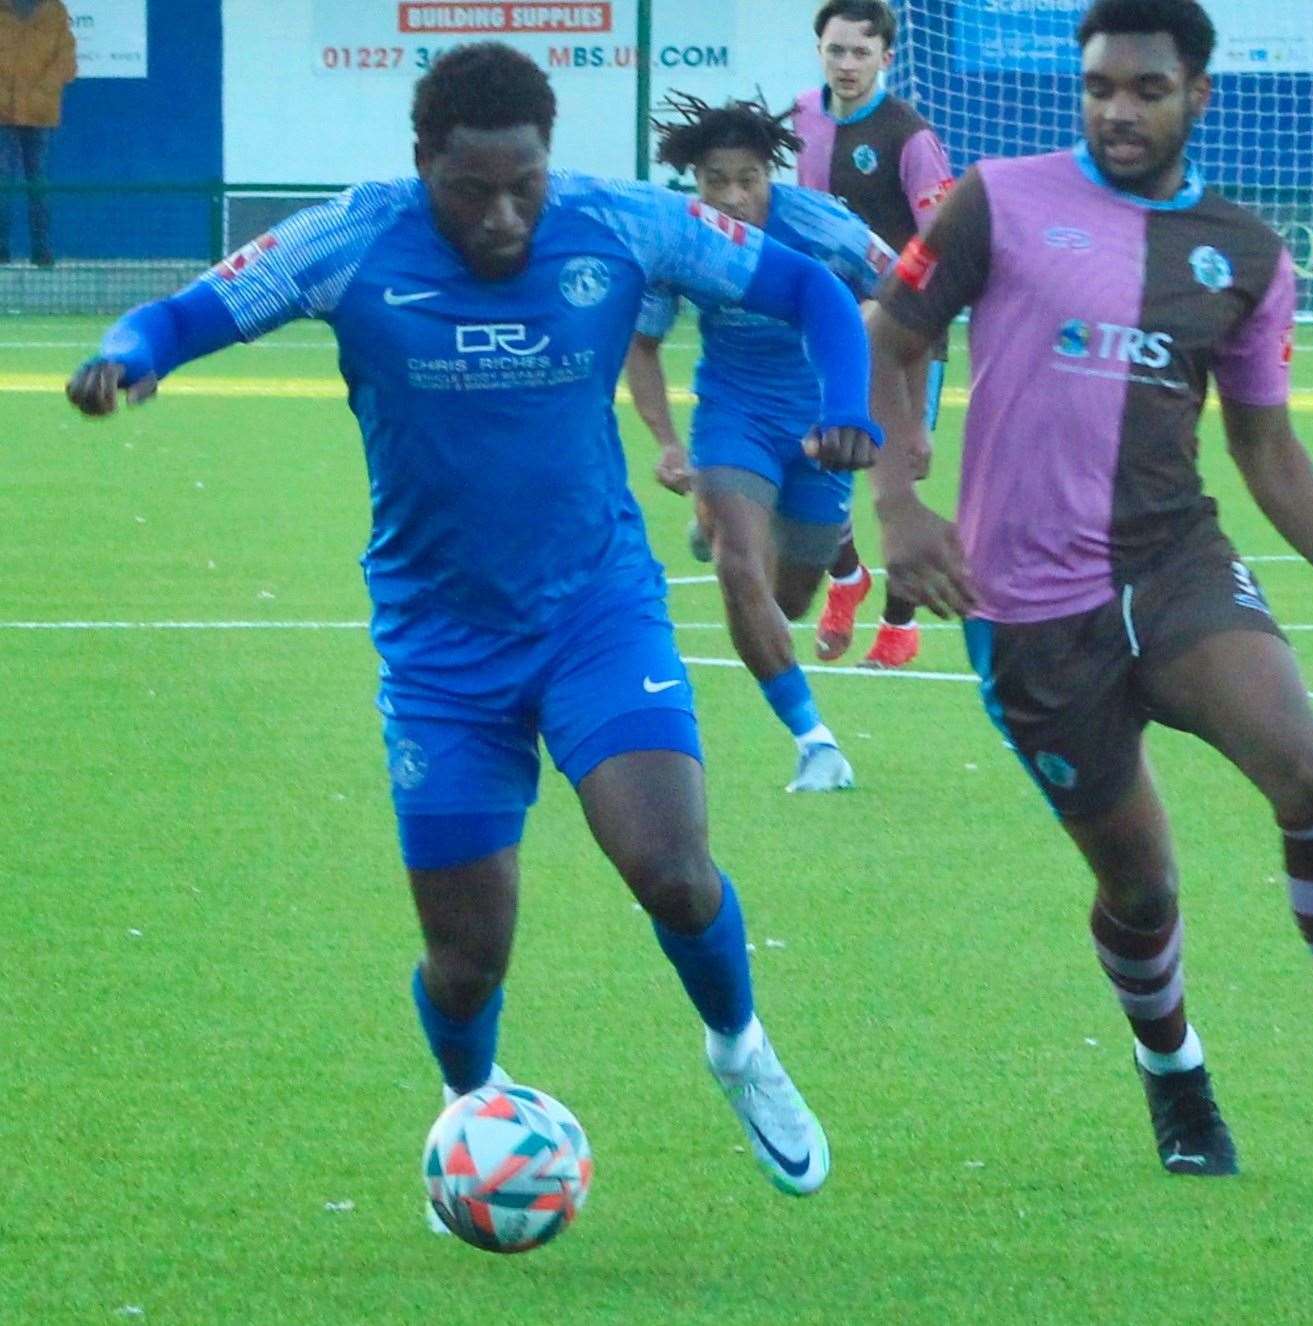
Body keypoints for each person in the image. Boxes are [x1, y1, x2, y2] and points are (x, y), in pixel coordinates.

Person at [64, 44, 885, 1207]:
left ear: (553, 164)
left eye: (526, 185)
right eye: (471, 189)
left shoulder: (620, 223)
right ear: (421, 164)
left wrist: (849, 409)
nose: (504, 216)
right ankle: (475, 1114)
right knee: (466, 961)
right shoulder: (352, 239)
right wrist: (128, 355)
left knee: (674, 870)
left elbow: (806, 288)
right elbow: (192, 310)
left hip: (597, 611)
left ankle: (740, 1047)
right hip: (441, 648)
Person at [864, 0, 1313, 1183]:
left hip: (1176, 566)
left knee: (1310, 780)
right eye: (1100, 85)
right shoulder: (997, 198)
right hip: (1029, 606)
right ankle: (1176, 1079)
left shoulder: (1245, 252)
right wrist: (901, 505)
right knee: (1141, 890)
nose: (1117, 109)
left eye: (1146, 88)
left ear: (1197, 94)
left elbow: (1266, 444)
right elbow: (888, 338)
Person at [628, 94, 895, 793]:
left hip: (818, 427)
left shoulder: (820, 225)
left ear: (771, 173)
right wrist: (664, 440)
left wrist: (856, 355)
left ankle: (735, 523)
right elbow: (643, 344)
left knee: (790, 599)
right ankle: (815, 741)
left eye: (747, 178)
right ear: (696, 181)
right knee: (738, 567)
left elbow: (898, 291)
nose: (733, 196)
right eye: (716, 180)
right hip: (732, 412)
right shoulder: (680, 240)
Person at [792, 0, 956, 669]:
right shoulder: (800, 115)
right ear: (820, 52)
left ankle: (898, 626)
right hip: (826, 330)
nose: (847, 64)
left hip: (906, 339)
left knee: (895, 482)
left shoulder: (909, 137)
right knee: (807, 462)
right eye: (836, 50)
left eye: (861, 52)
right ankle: (846, 579)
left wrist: (885, 308)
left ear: (886, 58)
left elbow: (942, 243)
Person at [0, 0, 76, 268]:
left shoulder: (54, 11)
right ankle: (1, 252)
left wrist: (41, 91)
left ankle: (42, 253)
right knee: (3, 184)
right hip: (2, 113)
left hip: (39, 113)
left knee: (38, 184)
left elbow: (66, 62)